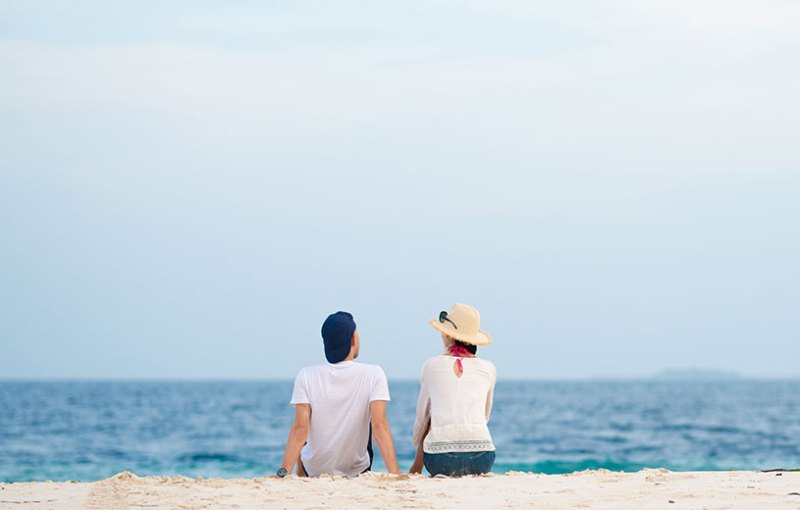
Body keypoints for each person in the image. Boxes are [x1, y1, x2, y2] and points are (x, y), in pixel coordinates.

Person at [275, 311, 400, 478]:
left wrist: (283, 472)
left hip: (314, 469)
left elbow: (299, 429)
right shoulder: (374, 374)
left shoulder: (306, 375)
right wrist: (395, 472)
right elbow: (379, 426)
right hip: (355, 469)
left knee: (305, 433)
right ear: (353, 339)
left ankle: (301, 476)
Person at [409, 303, 497, 477]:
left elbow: (423, 416)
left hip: (441, 459)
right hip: (482, 456)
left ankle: (416, 468)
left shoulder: (431, 366)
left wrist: (416, 456)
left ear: (448, 335)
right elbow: (484, 416)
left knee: (434, 415)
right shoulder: (489, 368)